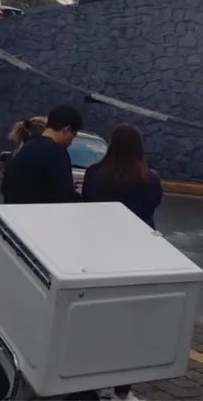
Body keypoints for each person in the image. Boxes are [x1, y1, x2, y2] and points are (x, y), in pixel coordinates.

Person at [81, 124, 162, 401]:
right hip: (134, 259)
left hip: (98, 257)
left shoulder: (94, 174)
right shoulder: (149, 179)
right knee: (129, 327)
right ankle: (122, 391)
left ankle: (91, 383)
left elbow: (87, 207)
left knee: (94, 321)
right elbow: (150, 209)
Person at [1, 104, 83, 204]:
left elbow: (5, 188)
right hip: (38, 216)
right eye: (74, 135)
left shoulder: (24, 148)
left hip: (14, 214)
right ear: (66, 129)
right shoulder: (56, 152)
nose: (71, 142)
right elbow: (64, 196)